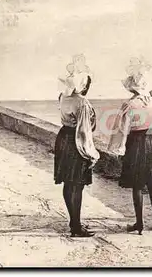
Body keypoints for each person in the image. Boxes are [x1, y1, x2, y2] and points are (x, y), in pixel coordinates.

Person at [108, 70, 152, 235]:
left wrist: (119, 149)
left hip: (135, 142)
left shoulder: (129, 104)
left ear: (131, 88)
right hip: (151, 140)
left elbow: (122, 129)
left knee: (137, 185)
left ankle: (140, 223)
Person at [54, 62, 99, 238]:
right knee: (78, 185)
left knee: (67, 182)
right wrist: (91, 154)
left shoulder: (62, 97)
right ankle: (76, 227)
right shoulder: (83, 103)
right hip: (76, 141)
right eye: (87, 83)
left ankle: (74, 221)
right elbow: (85, 131)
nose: (88, 87)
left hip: (63, 138)